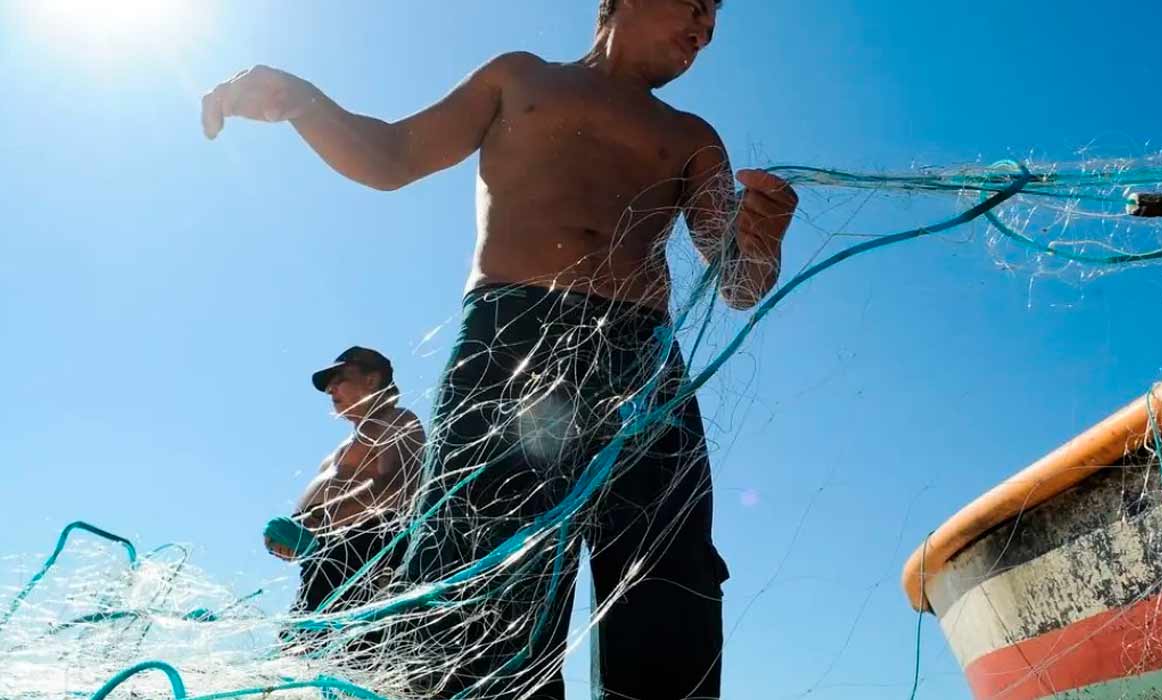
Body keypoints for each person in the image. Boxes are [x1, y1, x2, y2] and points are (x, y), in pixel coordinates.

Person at [204, 1, 798, 697]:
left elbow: (738, 282)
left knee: (668, 567)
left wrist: (762, 237)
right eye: (692, 3)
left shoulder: (693, 135)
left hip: (642, 364)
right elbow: (389, 156)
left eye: (714, 18)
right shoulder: (520, 77)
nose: (705, 26)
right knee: (485, 564)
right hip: (509, 341)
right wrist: (300, 101)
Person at [264, 347, 425, 654]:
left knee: (323, 652)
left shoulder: (395, 419)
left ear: (372, 379)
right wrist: (291, 538)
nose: (331, 389)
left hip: (369, 557)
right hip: (329, 559)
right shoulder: (344, 446)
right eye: (328, 386)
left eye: (339, 379)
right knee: (303, 650)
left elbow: (399, 484)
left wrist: (316, 519)